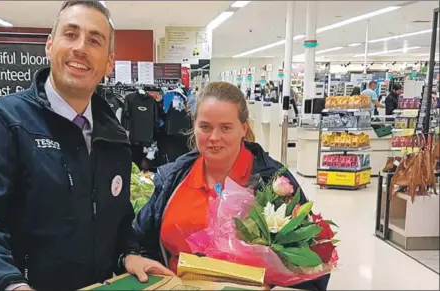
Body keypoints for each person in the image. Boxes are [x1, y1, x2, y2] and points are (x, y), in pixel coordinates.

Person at [0, 2, 172, 291]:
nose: (80, 48)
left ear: (108, 62)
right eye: (70, 34)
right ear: (49, 44)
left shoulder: (115, 136)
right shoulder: (4, 122)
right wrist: (9, 283)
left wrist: (129, 255)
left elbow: (118, 222)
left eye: (95, 40)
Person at [133, 82, 330, 291]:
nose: (214, 137)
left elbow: (312, 261)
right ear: (194, 126)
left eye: (226, 127)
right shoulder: (174, 178)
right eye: (205, 127)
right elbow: (140, 238)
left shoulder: (274, 182)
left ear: (243, 128)